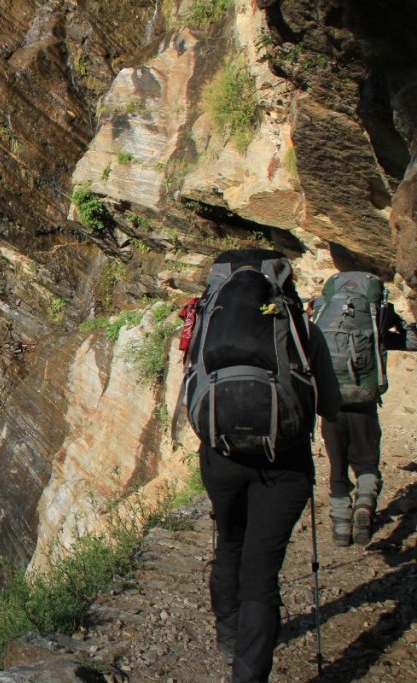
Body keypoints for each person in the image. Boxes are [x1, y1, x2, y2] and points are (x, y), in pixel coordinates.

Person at [185, 250, 342, 682]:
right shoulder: (299, 326)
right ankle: (249, 674)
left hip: (222, 458)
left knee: (229, 544)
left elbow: (191, 391)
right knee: (261, 572)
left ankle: (227, 637)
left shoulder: (206, 321)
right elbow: (330, 405)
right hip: (285, 464)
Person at [312, 279, 417, 546]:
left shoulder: (321, 321)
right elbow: (412, 342)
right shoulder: (373, 325)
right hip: (364, 403)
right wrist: (394, 319)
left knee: (337, 466)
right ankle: (364, 506)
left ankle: (341, 525)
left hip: (332, 404)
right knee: (367, 463)